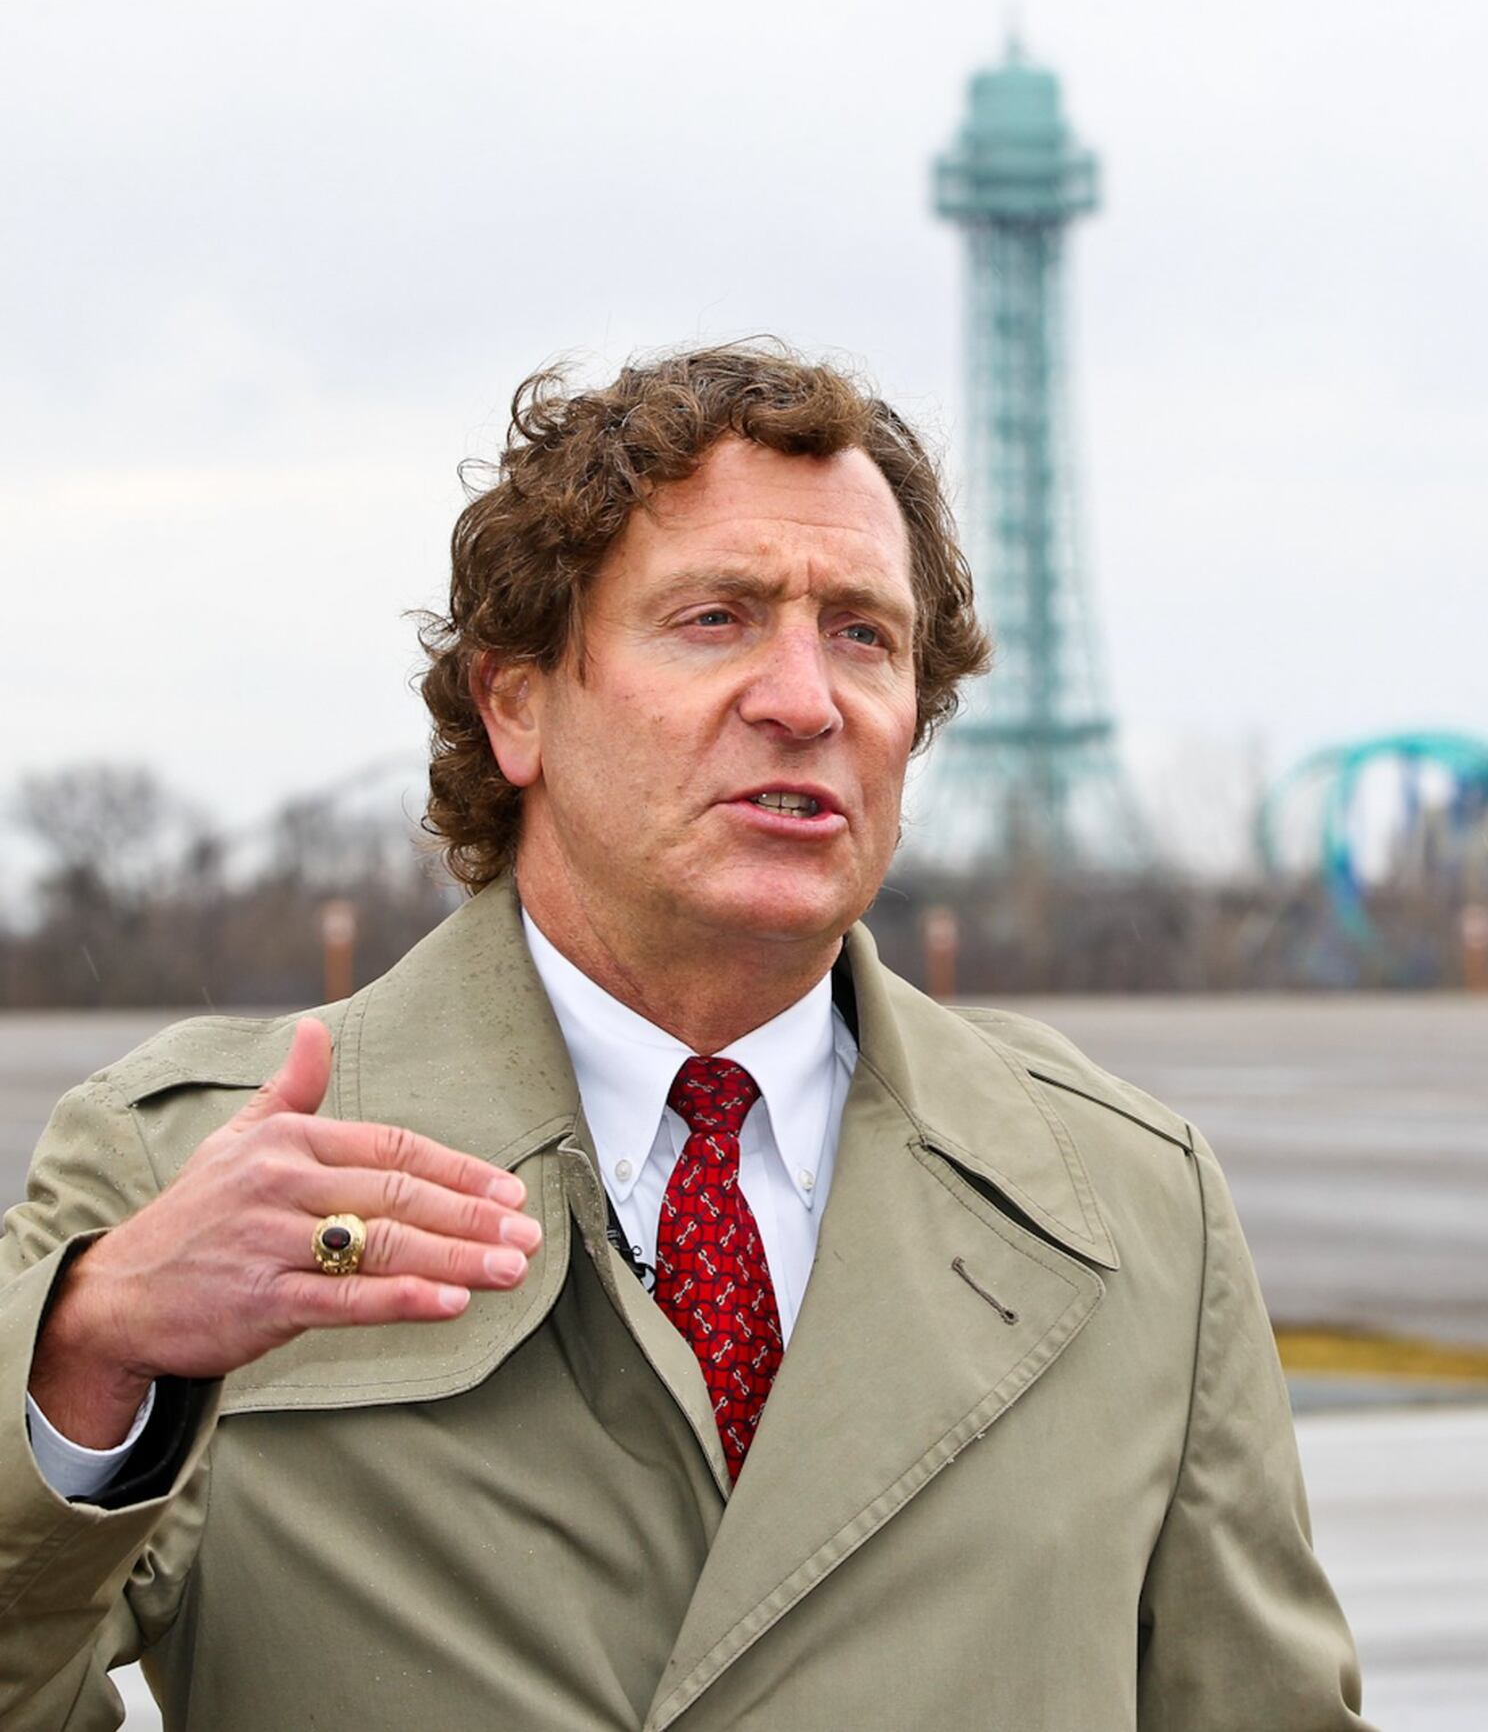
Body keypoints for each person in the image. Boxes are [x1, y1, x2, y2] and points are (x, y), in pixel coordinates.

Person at [0, 344, 1373, 1729]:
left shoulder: (1134, 1209)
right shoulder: (188, 1175)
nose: (804, 698)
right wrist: (86, 1358)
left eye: (863, 634)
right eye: (717, 617)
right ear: (518, 700)